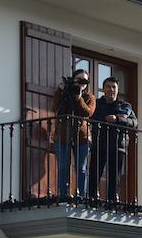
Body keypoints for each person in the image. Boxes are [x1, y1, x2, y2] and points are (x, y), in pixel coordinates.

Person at [89, 76, 136, 202]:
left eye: (114, 87)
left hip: (118, 146)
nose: (111, 89)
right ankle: (91, 200)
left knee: (115, 177)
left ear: (117, 90)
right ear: (103, 89)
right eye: (108, 87)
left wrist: (117, 119)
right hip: (99, 144)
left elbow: (134, 123)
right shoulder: (96, 104)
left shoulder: (125, 105)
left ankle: (112, 203)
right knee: (94, 174)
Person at [52, 66, 95, 198]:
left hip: (82, 137)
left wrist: (78, 97)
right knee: (64, 167)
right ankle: (63, 195)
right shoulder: (65, 93)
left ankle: (82, 196)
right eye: (79, 79)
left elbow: (87, 112)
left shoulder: (89, 97)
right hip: (63, 135)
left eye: (84, 81)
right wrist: (61, 90)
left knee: (81, 169)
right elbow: (55, 108)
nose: (81, 83)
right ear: (73, 80)